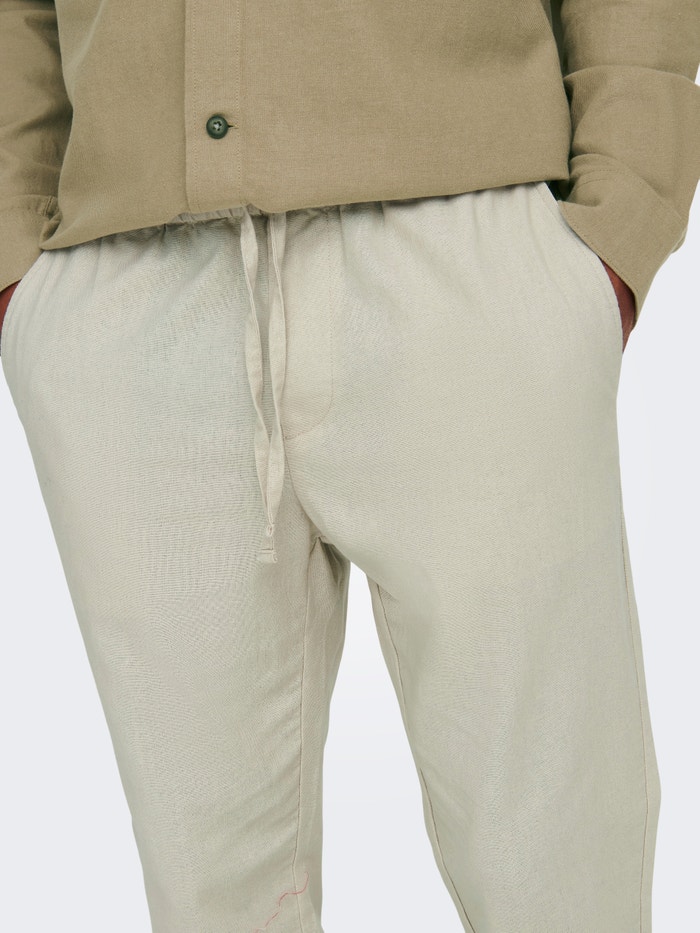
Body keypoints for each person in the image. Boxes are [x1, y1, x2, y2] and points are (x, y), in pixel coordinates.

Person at [1, 2, 698, 931]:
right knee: (209, 899)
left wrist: (623, 210)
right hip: (130, 276)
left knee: (558, 874)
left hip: (466, 249)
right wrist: (18, 255)